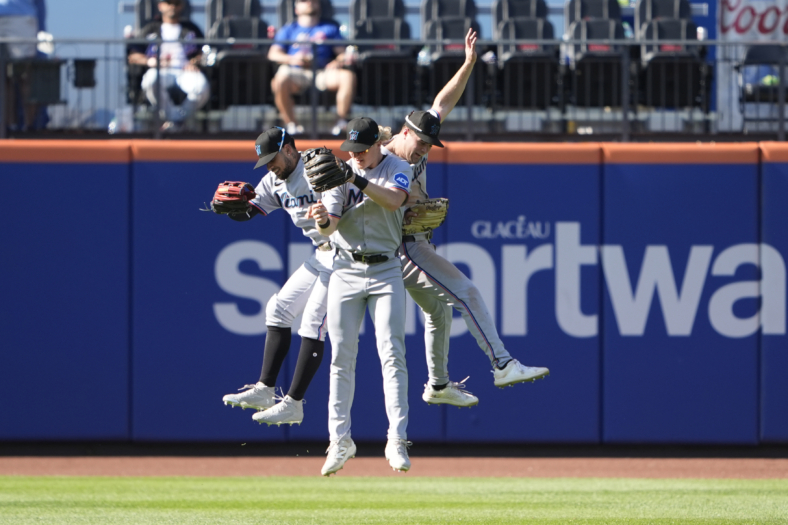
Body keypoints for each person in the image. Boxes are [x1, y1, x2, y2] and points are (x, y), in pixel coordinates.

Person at [384, 29, 550, 407]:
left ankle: (438, 386)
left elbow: (442, 104)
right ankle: (503, 363)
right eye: (421, 141)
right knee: (467, 293)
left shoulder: (415, 150)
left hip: (409, 242)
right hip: (400, 245)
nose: (425, 149)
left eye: (430, 143)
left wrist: (468, 63)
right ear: (405, 132)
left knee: (438, 311)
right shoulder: (383, 156)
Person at [308, 117, 413, 476]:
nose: (356, 157)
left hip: (386, 270)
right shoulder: (343, 170)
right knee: (341, 357)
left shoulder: (397, 166)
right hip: (346, 269)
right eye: (352, 151)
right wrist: (321, 218)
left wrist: (356, 178)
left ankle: (396, 440)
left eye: (362, 150)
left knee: (392, 353)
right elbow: (330, 225)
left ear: (377, 145)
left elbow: (394, 201)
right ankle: (340, 441)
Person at [218, 127, 333, 427]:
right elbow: (250, 212)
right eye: (266, 162)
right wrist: (228, 209)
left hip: (346, 253)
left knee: (312, 324)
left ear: (290, 149)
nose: (270, 166)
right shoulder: (274, 180)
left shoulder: (317, 165)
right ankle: (265, 390)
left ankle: (294, 404)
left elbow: (348, 203)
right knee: (278, 309)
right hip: (321, 254)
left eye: (273, 159)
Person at [268, 0, 355, 136]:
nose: (309, 3)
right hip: (296, 72)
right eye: (304, 0)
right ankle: (292, 125)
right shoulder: (288, 29)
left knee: (347, 76)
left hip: (322, 72)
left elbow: (343, 54)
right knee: (279, 79)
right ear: (296, 8)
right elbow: (273, 54)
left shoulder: (329, 28)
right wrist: (292, 59)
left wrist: (337, 61)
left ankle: (339, 123)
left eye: (313, 0)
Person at [127, 0, 209, 132]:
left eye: (176, 3)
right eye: (168, 2)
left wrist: (193, 62)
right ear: (160, 5)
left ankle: (175, 121)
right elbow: (133, 56)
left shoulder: (191, 28)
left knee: (201, 86)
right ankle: (175, 121)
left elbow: (203, 52)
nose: (172, 6)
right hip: (160, 71)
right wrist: (152, 61)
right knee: (151, 80)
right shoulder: (150, 28)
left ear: (181, 6)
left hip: (185, 71)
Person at [0, 0, 43, 131]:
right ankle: (9, 127)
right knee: (4, 78)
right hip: (19, 16)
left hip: (20, 17)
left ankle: (29, 128)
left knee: (24, 75)